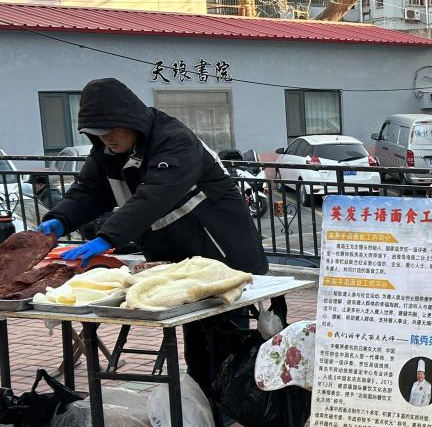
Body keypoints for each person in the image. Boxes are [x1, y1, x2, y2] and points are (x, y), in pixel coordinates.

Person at [39, 78, 269, 397]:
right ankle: (206, 406)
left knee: (225, 333)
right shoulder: (107, 151)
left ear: (131, 119)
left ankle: (232, 404)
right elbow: (89, 191)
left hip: (221, 251)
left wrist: (108, 238)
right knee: (196, 338)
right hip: (180, 259)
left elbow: (155, 196)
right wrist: (58, 220)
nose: (106, 136)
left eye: (111, 128)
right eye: (96, 131)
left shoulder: (174, 140)